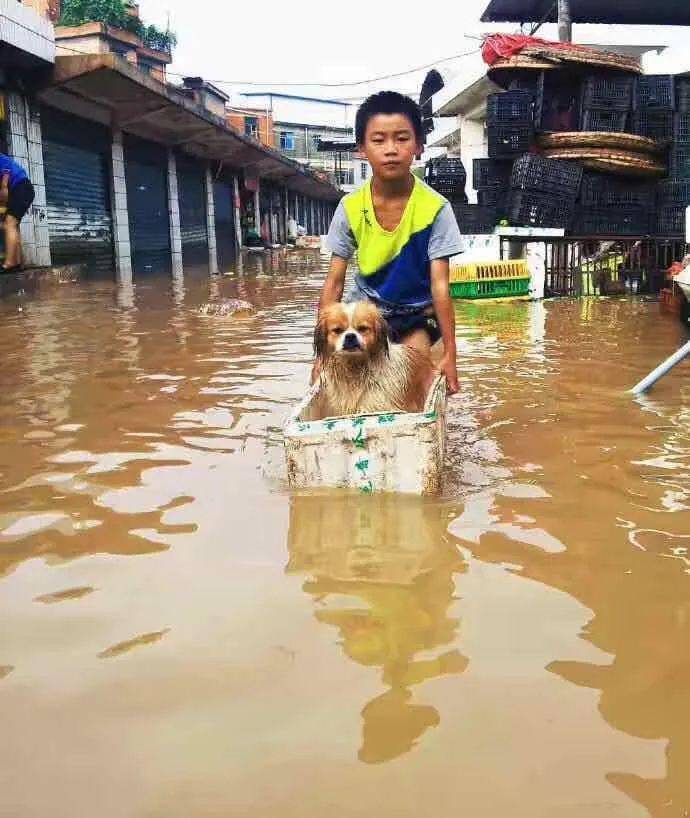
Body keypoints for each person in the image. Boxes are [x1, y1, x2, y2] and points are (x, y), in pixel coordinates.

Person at [316, 91, 463, 393]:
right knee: (345, 384)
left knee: (414, 374)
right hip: (364, 315)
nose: (391, 150)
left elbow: (440, 287)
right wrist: (319, 356)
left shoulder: (436, 209)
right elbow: (334, 283)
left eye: (402, 138)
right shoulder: (350, 207)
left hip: (414, 317)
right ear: (362, 149)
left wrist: (451, 354)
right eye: (379, 140)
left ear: (418, 146)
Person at [0, 153, 34, 273]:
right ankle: (19, 262)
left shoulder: (1, 159)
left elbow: (4, 188)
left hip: (22, 188)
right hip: (23, 190)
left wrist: (2, 210)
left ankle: (9, 263)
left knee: (9, 223)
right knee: (12, 225)